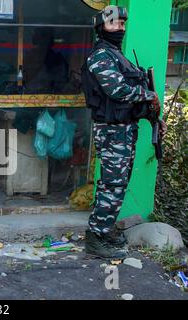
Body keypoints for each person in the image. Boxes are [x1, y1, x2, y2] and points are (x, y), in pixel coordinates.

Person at [81, 6, 166, 259]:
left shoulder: (116, 54)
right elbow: (117, 91)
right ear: (101, 27)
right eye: (113, 24)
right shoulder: (101, 57)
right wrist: (149, 95)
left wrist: (153, 117)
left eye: (121, 24)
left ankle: (103, 230)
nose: (119, 27)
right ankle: (95, 238)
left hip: (124, 130)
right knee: (113, 184)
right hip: (112, 132)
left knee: (116, 184)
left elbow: (129, 98)